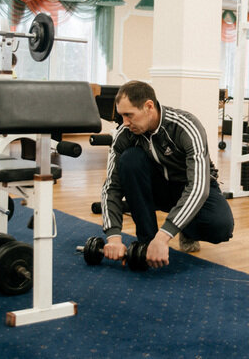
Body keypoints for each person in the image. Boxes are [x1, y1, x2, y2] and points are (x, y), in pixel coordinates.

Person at [100, 81, 234, 269]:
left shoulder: (186, 126)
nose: (125, 122)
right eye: (122, 115)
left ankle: (185, 227)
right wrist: (113, 237)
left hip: (191, 186)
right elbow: (111, 187)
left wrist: (164, 236)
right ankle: (147, 241)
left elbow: (198, 187)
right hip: (158, 187)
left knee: (220, 227)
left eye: (129, 115)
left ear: (148, 107)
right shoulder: (125, 134)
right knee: (130, 159)